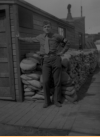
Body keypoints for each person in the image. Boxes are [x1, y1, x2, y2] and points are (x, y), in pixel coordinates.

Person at [16, 20, 70, 108]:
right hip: (45, 60)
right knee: (45, 81)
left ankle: (56, 100)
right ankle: (47, 101)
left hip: (56, 59)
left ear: (51, 27)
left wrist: (62, 52)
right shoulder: (40, 37)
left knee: (57, 81)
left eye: (48, 26)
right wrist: (20, 38)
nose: (47, 28)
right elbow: (30, 39)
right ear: (42, 29)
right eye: (45, 27)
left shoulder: (57, 36)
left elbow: (67, 42)